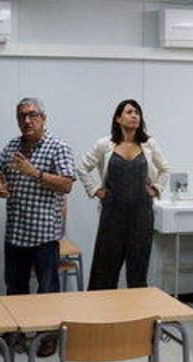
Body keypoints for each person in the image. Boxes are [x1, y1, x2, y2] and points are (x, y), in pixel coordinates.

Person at [0, 97, 75, 356]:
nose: (27, 120)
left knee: (47, 289)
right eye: (22, 116)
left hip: (44, 234)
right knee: (15, 287)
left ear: (43, 118)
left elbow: (67, 184)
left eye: (32, 115)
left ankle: (48, 335)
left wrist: (34, 173)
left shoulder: (57, 147)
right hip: (15, 231)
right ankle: (15, 330)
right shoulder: (12, 146)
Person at [76, 99, 169, 290]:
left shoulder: (148, 144)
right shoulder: (105, 144)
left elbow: (165, 169)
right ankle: (102, 315)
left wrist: (156, 188)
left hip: (142, 214)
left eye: (137, 112)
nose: (135, 115)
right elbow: (82, 168)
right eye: (129, 112)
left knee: (138, 269)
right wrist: (95, 190)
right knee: (105, 268)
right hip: (112, 214)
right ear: (118, 118)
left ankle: (136, 315)